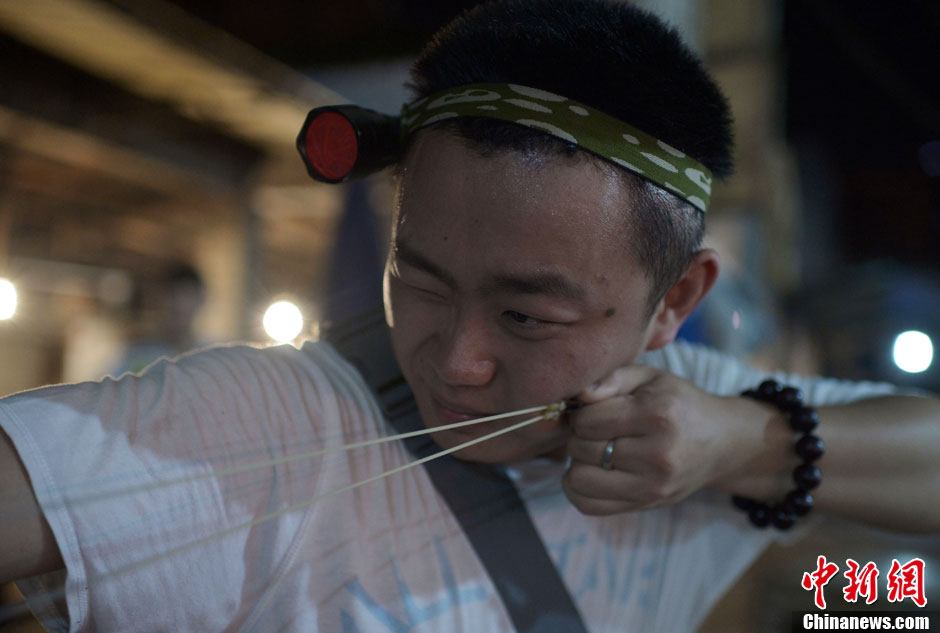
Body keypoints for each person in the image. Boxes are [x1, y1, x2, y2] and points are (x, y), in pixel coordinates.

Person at [0, 1, 937, 631]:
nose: (456, 360)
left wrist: (745, 445)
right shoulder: (279, 420)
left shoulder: (683, 417)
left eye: (527, 317)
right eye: (423, 280)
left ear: (674, 302)